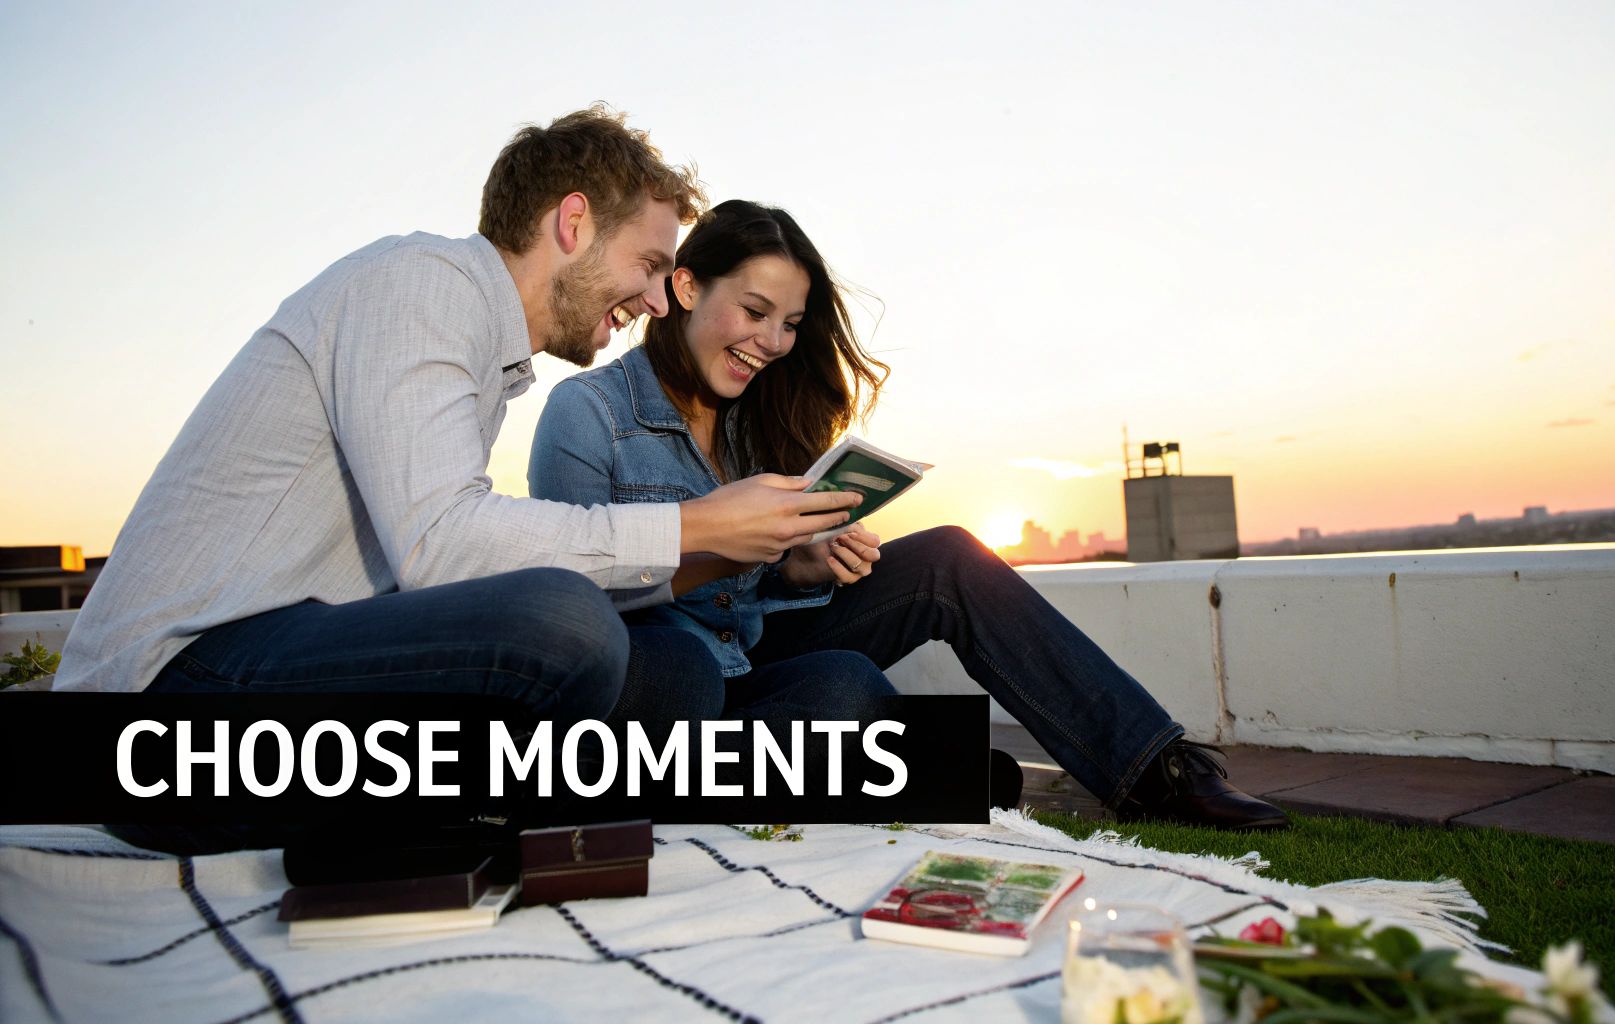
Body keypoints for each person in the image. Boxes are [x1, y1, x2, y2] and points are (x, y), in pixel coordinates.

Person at [55, 109, 862, 848]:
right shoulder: (421, 284)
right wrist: (698, 528)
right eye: (649, 264)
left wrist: (745, 550)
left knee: (684, 673)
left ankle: (495, 814)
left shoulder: (485, 358)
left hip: (280, 669)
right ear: (573, 224)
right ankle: (511, 813)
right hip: (166, 698)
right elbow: (441, 543)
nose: (657, 299)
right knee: (563, 620)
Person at [529, 200, 1288, 829]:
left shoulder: (756, 424)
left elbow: (753, 603)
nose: (772, 343)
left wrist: (800, 565)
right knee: (838, 687)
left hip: (750, 668)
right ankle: (903, 763)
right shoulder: (587, 414)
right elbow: (578, 610)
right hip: (667, 687)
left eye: (789, 324)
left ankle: (1153, 767)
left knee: (951, 560)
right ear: (687, 289)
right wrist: (729, 552)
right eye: (755, 311)